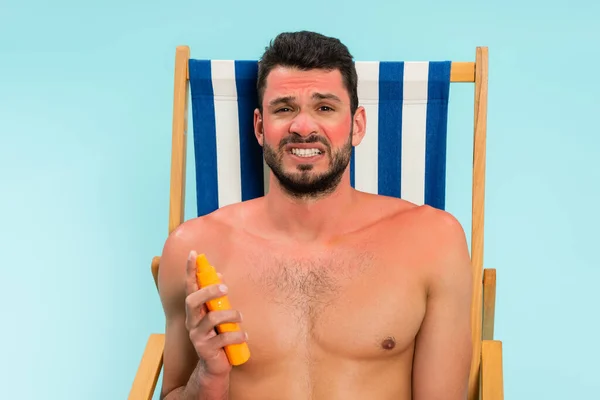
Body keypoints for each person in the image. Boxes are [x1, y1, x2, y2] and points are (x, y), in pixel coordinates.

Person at [157, 31, 473, 400]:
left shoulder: (432, 241)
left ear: (357, 125)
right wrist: (207, 379)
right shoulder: (193, 250)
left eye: (324, 107)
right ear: (260, 126)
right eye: (284, 108)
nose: (303, 127)